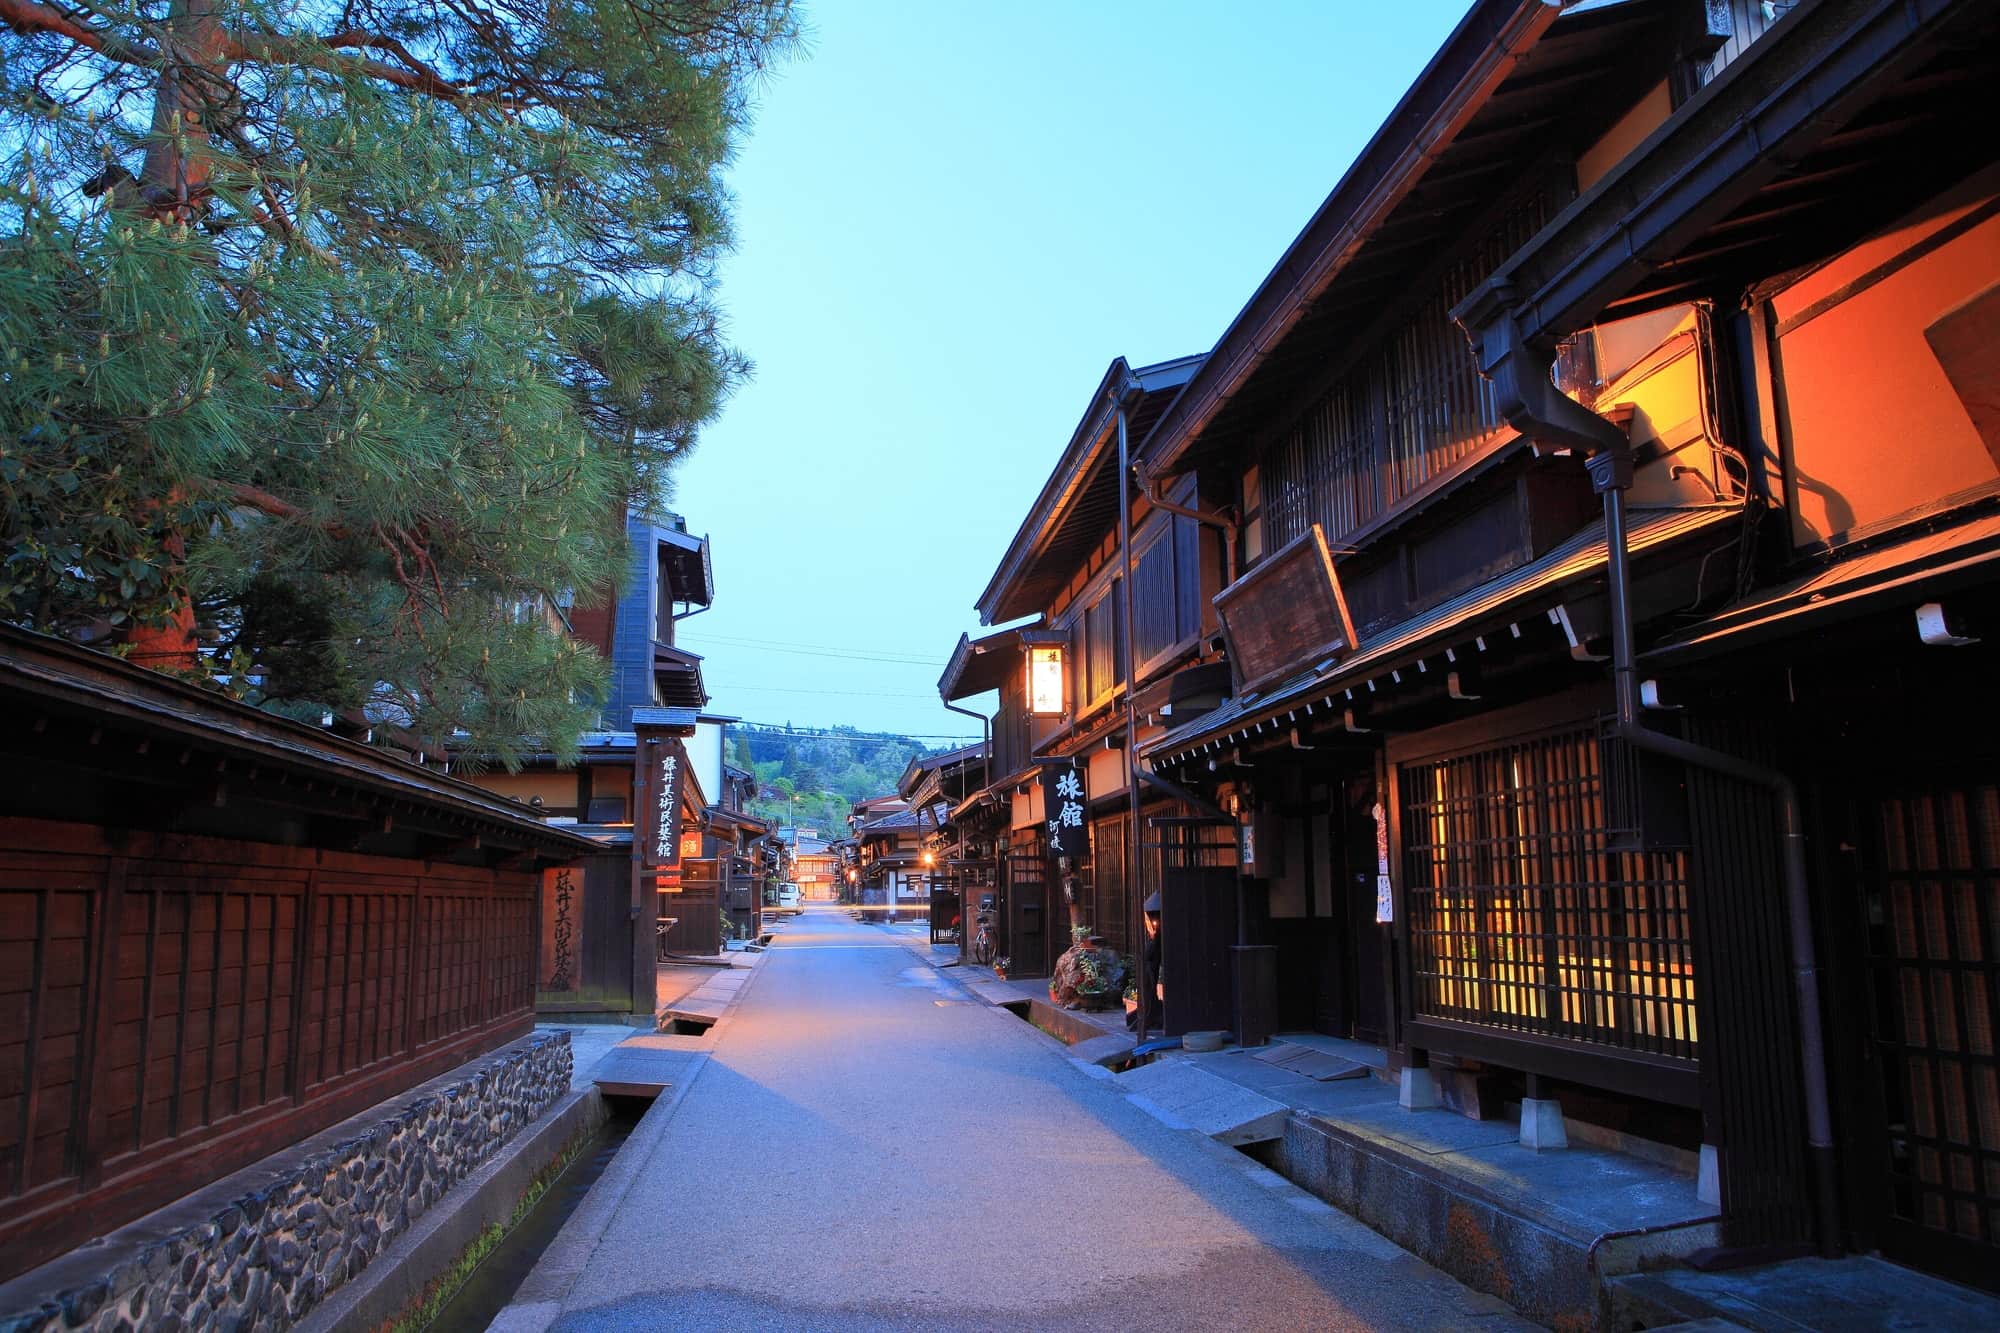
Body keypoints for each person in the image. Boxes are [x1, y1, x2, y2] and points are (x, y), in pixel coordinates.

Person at [1125, 893, 1162, 1031]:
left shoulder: (1156, 940)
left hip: (1151, 971)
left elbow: (1150, 954)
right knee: (1147, 995)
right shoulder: (1153, 939)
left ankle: (1150, 1016)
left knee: (1149, 995)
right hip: (1147, 971)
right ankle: (1147, 1015)